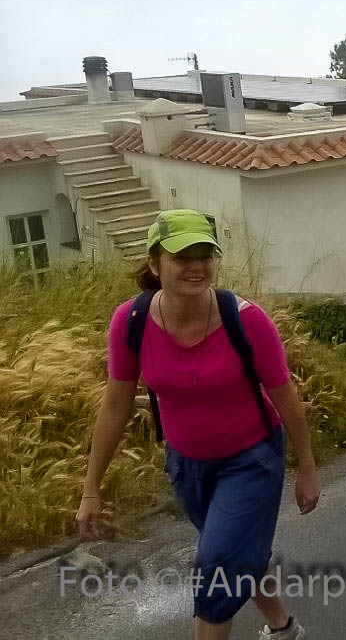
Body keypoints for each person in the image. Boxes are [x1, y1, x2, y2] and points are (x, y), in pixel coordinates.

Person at [78, 209, 317, 640]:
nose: (197, 265)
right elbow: (115, 407)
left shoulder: (245, 321)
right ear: (155, 265)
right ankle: (284, 628)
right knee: (237, 550)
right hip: (187, 466)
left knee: (217, 562)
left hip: (252, 460)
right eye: (182, 255)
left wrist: (307, 469)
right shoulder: (130, 323)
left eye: (206, 254)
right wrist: (91, 489)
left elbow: (286, 398)